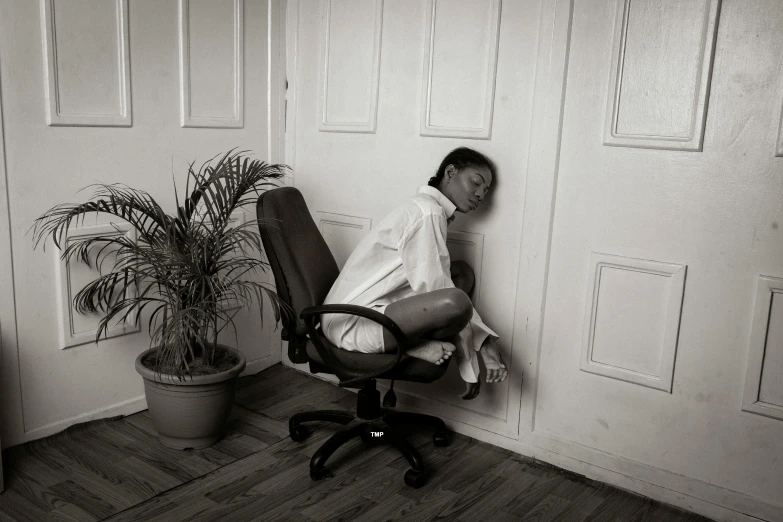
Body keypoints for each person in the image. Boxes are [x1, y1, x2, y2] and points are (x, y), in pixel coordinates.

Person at [322, 147, 508, 400]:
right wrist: (481, 345)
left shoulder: (427, 209)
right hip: (352, 322)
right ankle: (415, 346)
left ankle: (413, 345)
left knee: (461, 273)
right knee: (452, 299)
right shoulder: (427, 212)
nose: (480, 195)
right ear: (450, 172)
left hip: (374, 312)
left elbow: (434, 282)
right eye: (476, 182)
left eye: (486, 191)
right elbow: (438, 291)